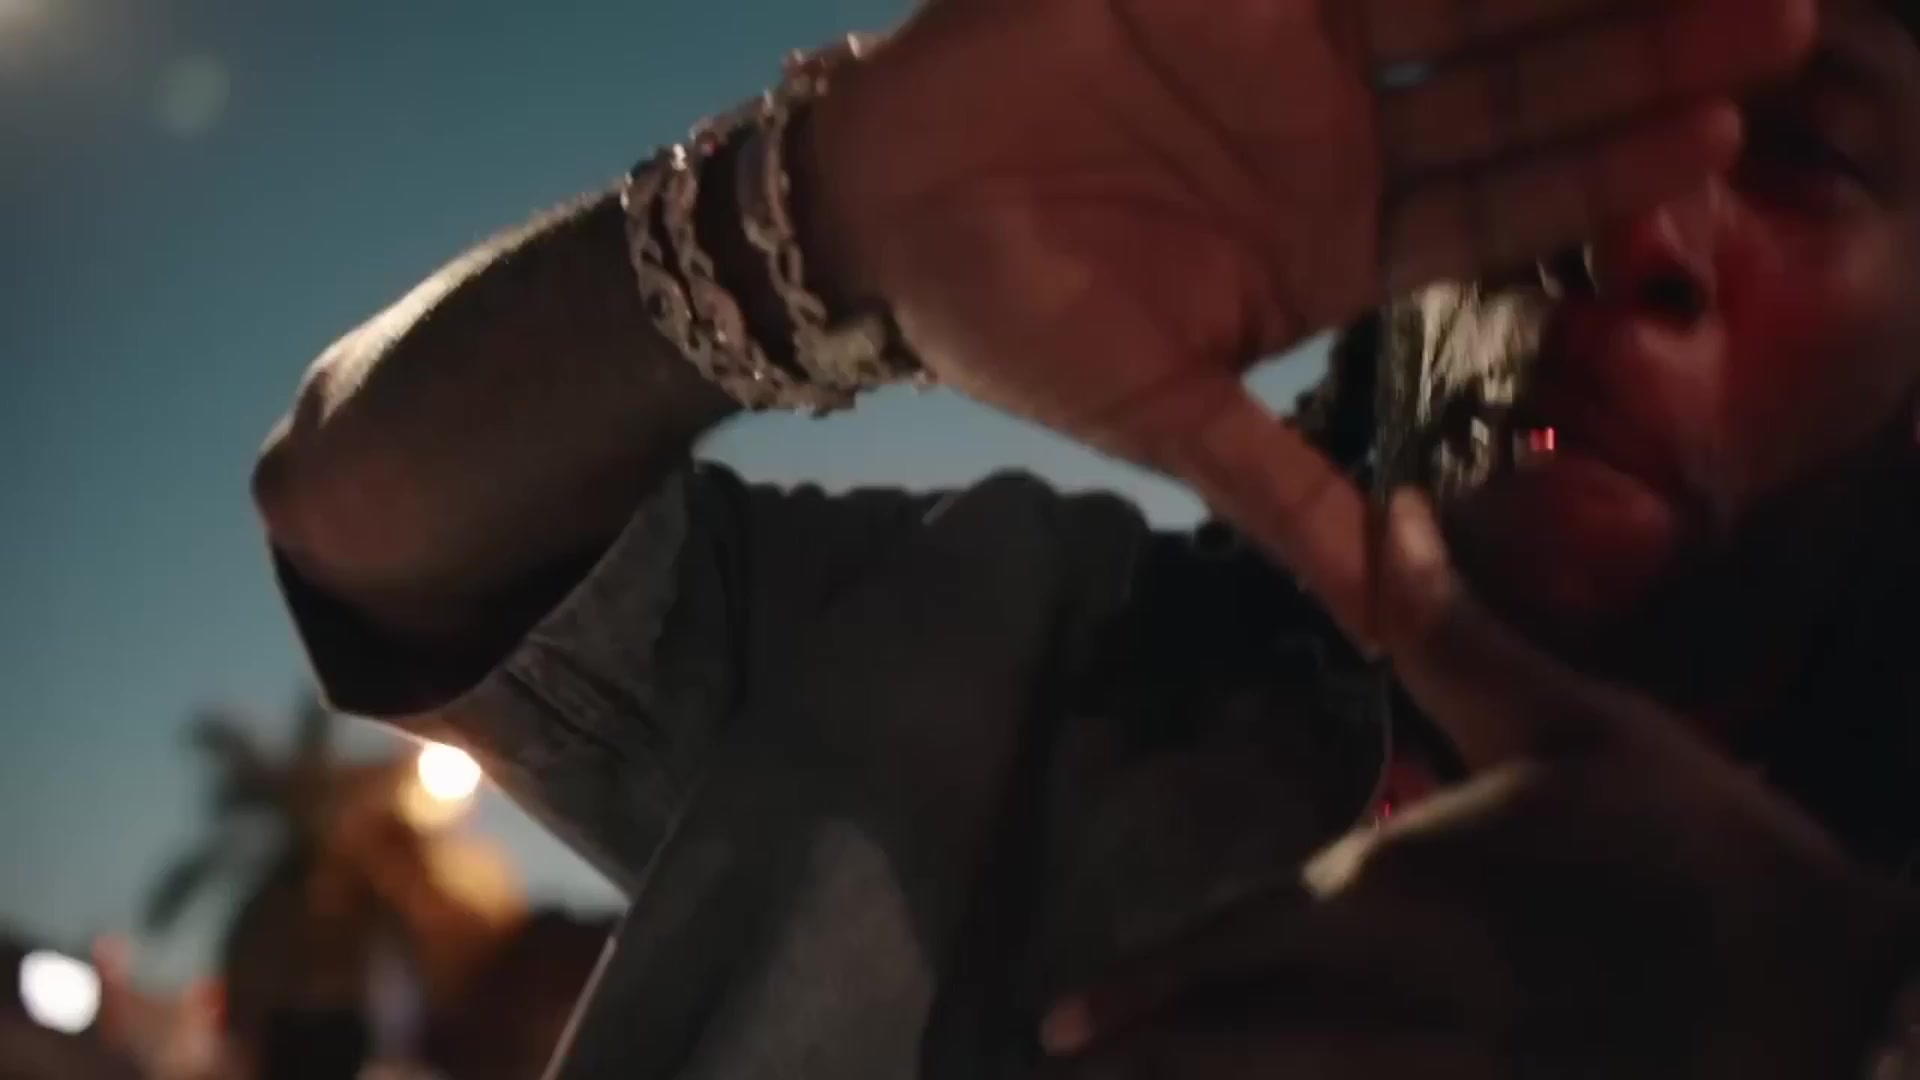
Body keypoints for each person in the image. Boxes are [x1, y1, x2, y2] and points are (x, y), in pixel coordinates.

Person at [251, 0, 1920, 1074]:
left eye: (1812, 154)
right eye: (1543, 108)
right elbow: (359, 512)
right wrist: (809, 222)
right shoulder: (986, 642)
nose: (1630, 231)